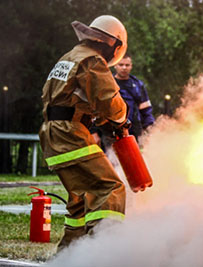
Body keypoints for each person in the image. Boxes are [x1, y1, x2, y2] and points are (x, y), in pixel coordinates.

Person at [39, 15, 130, 251]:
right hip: (69, 133)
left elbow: (70, 98)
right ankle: (105, 251)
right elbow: (110, 101)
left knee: (80, 199)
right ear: (113, 45)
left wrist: (97, 118)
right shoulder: (92, 60)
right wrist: (121, 119)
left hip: (53, 132)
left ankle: (69, 256)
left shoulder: (68, 58)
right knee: (110, 187)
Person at [113, 54, 155, 142]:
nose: (124, 68)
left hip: (135, 131)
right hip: (112, 132)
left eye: (127, 65)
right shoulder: (109, 84)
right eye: (121, 65)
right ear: (115, 65)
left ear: (131, 66)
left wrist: (151, 128)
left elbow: (146, 111)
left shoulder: (138, 85)